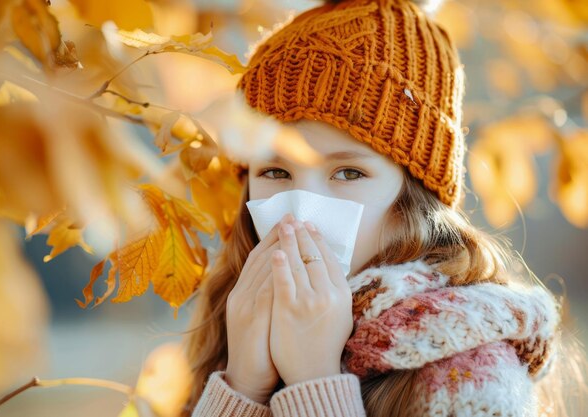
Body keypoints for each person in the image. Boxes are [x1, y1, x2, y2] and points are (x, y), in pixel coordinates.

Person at [179, 0, 584, 416]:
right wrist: (242, 387)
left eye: (349, 173)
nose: (299, 212)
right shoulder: (234, 322)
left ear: (415, 198)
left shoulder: (472, 372)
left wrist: (314, 381)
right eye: (276, 172)